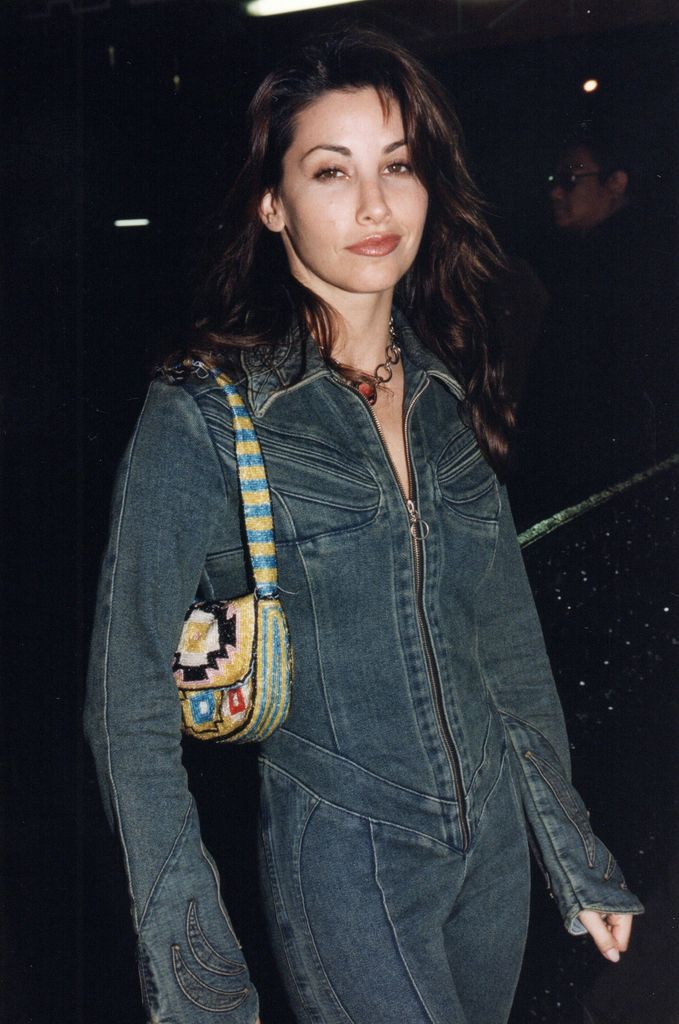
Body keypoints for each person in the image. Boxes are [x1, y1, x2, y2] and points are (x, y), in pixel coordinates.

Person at [84, 31, 643, 1024]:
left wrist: (573, 850)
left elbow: (503, 644)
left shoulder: (444, 383)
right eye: (331, 171)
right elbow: (124, 702)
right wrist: (196, 970)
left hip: (492, 861)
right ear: (272, 203)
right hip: (349, 861)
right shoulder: (206, 408)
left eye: (399, 165)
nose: (375, 205)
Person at [515, 130, 675, 520]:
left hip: (606, 480)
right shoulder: (595, 255)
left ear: (615, 183)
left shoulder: (623, 261)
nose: (556, 192)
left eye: (570, 179)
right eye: (554, 181)